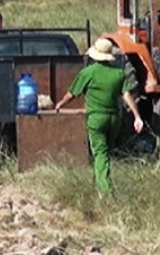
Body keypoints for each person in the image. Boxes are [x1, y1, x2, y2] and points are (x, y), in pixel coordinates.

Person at [54, 38, 144, 195]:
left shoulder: (88, 72)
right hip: (114, 119)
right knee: (105, 153)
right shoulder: (119, 73)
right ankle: (98, 184)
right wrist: (137, 116)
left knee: (100, 154)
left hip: (96, 119)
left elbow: (72, 93)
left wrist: (60, 104)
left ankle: (106, 192)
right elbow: (127, 95)